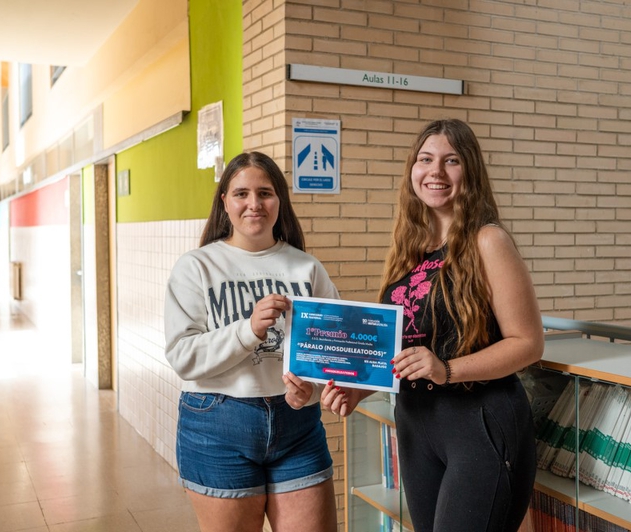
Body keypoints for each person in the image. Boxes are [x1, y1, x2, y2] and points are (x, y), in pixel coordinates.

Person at [322, 119, 544, 532]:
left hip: (480, 424)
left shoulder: (488, 241)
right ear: (413, 170)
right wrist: (359, 387)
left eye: (451, 161)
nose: (435, 172)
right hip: (415, 427)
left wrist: (448, 369)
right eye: (426, 160)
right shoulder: (410, 249)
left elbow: (528, 343)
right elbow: (404, 351)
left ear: (470, 171)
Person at [164, 151, 339, 532]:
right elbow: (183, 356)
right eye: (241, 193)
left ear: (280, 201)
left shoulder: (306, 267)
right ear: (224, 201)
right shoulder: (197, 266)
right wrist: (249, 330)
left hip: (298, 427)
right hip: (217, 425)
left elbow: (332, 354)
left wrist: (308, 390)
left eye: (266, 193)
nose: (254, 204)